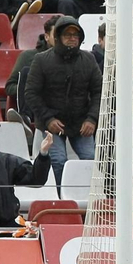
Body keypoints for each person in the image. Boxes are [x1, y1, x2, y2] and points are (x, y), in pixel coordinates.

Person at [22, 16, 100, 178]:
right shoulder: (41, 60)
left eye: (75, 35)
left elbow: (99, 91)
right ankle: (60, 199)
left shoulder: (89, 59)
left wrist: (92, 119)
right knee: (58, 161)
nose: (72, 38)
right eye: (67, 34)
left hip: (81, 122)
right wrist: (48, 119)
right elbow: (31, 93)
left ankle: (89, 198)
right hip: (51, 122)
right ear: (57, 37)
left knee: (90, 159)